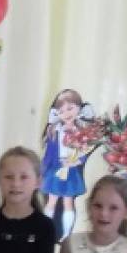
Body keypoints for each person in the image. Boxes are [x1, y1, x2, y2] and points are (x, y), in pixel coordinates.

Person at [41, 89, 96, 242]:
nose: (66, 113)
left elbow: (85, 151)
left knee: (68, 203)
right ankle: (45, 229)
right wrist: (42, 171)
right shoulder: (54, 130)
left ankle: (66, 233)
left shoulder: (82, 132)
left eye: (70, 108)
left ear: (79, 108)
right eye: (61, 111)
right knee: (51, 202)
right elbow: (48, 155)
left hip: (70, 171)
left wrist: (77, 161)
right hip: (55, 170)